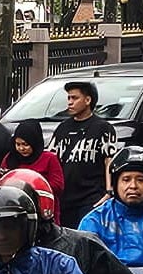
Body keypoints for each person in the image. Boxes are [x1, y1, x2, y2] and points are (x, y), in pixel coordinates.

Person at [50, 80, 119, 226]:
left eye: (74, 98)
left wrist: (109, 192)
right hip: (65, 198)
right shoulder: (62, 128)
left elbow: (109, 161)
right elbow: (52, 159)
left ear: (88, 100)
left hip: (91, 197)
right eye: (68, 98)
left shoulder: (103, 128)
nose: (69, 102)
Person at [0, 118, 65, 203]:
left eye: (25, 144)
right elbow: (1, 182)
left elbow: (58, 186)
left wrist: (33, 186)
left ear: (34, 142)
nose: (21, 148)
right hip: (14, 205)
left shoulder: (49, 158)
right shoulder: (10, 158)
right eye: (18, 144)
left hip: (43, 206)